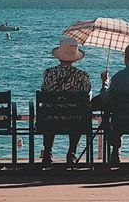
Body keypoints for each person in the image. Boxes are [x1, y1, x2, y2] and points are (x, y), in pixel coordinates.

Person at [38, 37, 93, 166]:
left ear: (59, 56)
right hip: (75, 120)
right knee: (79, 113)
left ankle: (47, 153)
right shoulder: (83, 75)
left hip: (50, 120)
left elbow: (44, 91)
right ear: (75, 58)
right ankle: (71, 153)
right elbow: (87, 97)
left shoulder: (49, 73)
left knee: (50, 110)